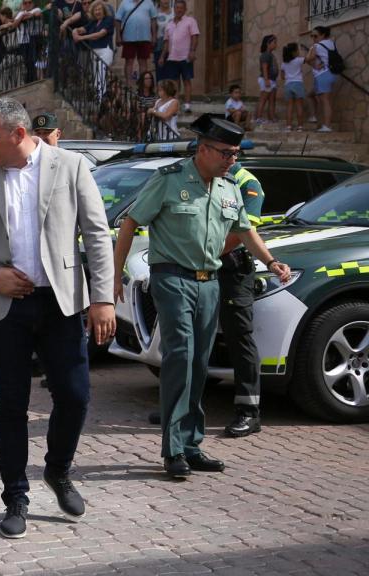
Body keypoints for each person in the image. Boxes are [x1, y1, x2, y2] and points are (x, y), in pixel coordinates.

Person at [0, 98, 115, 538]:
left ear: (20, 134)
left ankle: (58, 471)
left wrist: (102, 299)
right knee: (11, 406)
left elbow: (97, 233)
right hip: (6, 309)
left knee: (75, 396)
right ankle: (15, 496)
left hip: (60, 304)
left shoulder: (71, 166)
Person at [112, 114, 290, 479]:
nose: (232, 161)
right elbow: (129, 223)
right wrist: (114, 276)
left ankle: (192, 445)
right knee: (180, 357)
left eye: (236, 154)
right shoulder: (168, 181)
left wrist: (271, 261)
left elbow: (245, 231)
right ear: (204, 150)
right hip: (172, 278)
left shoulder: (228, 189)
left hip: (211, 283)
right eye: (226, 153)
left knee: (198, 364)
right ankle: (174, 448)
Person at [219, 163, 265, 438]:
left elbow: (242, 233)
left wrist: (206, 254)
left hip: (231, 268)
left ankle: (249, 412)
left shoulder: (247, 182)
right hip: (199, 267)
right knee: (193, 338)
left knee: (240, 338)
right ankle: (182, 407)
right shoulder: (196, 174)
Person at [160, 0, 199, 114]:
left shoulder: (190, 21)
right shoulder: (169, 24)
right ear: (174, 9)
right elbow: (166, 43)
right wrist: (162, 57)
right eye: (177, 8)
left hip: (185, 57)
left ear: (185, 9)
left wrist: (192, 51)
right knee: (174, 83)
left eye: (181, 8)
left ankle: (187, 105)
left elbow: (195, 37)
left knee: (186, 80)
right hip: (172, 58)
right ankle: (175, 105)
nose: (179, 10)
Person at [73, 0, 114, 97]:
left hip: (105, 51)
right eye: (95, 10)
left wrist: (81, 38)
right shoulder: (93, 22)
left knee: (100, 73)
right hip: (94, 53)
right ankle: (98, 99)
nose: (97, 12)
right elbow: (82, 29)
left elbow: (100, 34)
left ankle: (100, 98)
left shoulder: (108, 19)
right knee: (97, 76)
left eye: (99, 9)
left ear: (104, 10)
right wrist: (75, 31)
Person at [114, 0, 157, 82]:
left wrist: (154, 35)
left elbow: (153, 20)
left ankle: (142, 86)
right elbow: (117, 19)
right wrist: (118, 36)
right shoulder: (124, 3)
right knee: (129, 61)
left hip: (144, 36)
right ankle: (128, 85)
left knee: (143, 62)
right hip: (128, 37)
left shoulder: (149, 2)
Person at [306, 25, 338, 132]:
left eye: (315, 35)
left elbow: (308, 58)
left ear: (323, 35)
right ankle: (314, 116)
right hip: (331, 73)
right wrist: (314, 65)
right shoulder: (331, 43)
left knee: (325, 100)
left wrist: (311, 50)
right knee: (311, 95)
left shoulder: (317, 46)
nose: (313, 38)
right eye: (312, 36)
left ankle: (327, 125)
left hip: (322, 75)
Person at [280, 42, 307, 132]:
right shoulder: (299, 60)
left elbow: (282, 76)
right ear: (294, 52)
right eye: (297, 50)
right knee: (299, 106)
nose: (299, 51)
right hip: (298, 83)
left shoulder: (284, 63)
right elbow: (309, 58)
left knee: (289, 106)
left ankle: (288, 126)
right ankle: (300, 127)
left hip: (288, 85)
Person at [255, 35, 279, 126]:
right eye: (274, 43)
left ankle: (271, 117)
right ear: (268, 44)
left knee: (272, 100)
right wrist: (266, 80)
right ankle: (258, 118)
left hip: (272, 80)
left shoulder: (271, 55)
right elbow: (265, 67)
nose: (276, 45)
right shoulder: (265, 55)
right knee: (263, 99)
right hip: (267, 79)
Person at [152, 0, 172, 79]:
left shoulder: (174, 12)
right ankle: (160, 90)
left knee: (171, 71)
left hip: (173, 44)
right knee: (160, 70)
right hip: (159, 43)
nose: (166, 1)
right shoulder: (154, 13)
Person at [136, 70, 159, 139]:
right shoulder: (137, 94)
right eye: (146, 79)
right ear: (142, 80)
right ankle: (139, 137)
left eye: (150, 78)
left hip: (151, 116)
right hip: (139, 116)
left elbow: (156, 106)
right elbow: (136, 107)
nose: (149, 80)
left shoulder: (154, 95)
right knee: (142, 115)